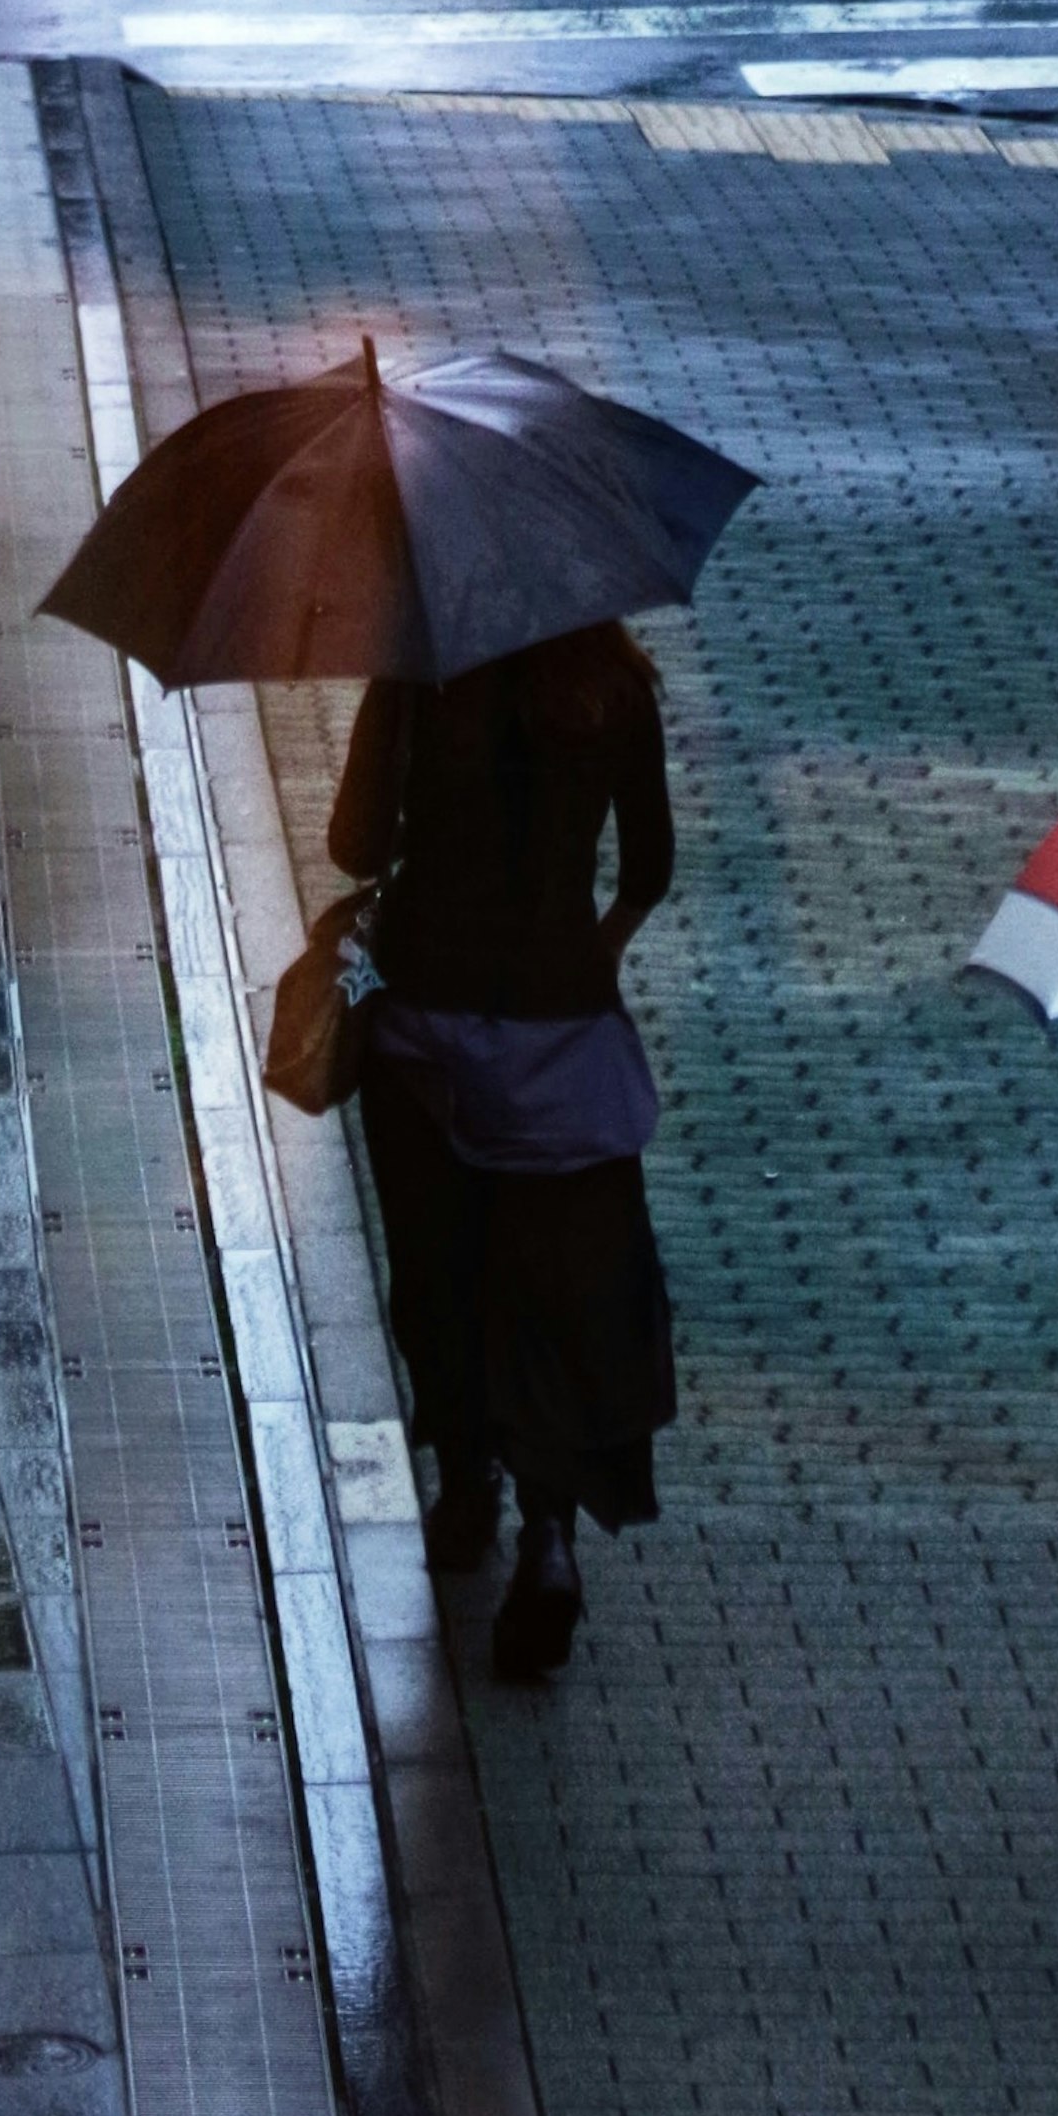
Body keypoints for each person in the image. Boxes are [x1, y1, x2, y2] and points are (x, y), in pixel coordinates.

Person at [327, 623, 679, 1681]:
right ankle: (550, 1534)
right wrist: (591, 949)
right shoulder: (616, 683)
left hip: (424, 1034)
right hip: (560, 1046)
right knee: (549, 1294)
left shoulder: (423, 664)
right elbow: (650, 866)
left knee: (441, 1270)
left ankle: (465, 1480)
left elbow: (352, 842)